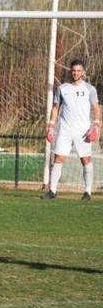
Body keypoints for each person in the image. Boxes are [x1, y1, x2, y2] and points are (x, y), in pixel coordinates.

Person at [43, 59, 100, 201]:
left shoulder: (90, 89)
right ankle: (52, 191)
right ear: (71, 71)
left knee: (85, 159)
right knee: (58, 158)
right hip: (65, 129)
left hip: (83, 131)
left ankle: (87, 192)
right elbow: (56, 108)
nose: (76, 73)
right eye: (74, 70)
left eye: (79, 70)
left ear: (83, 72)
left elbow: (96, 108)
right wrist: (51, 126)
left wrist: (96, 126)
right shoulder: (63, 88)